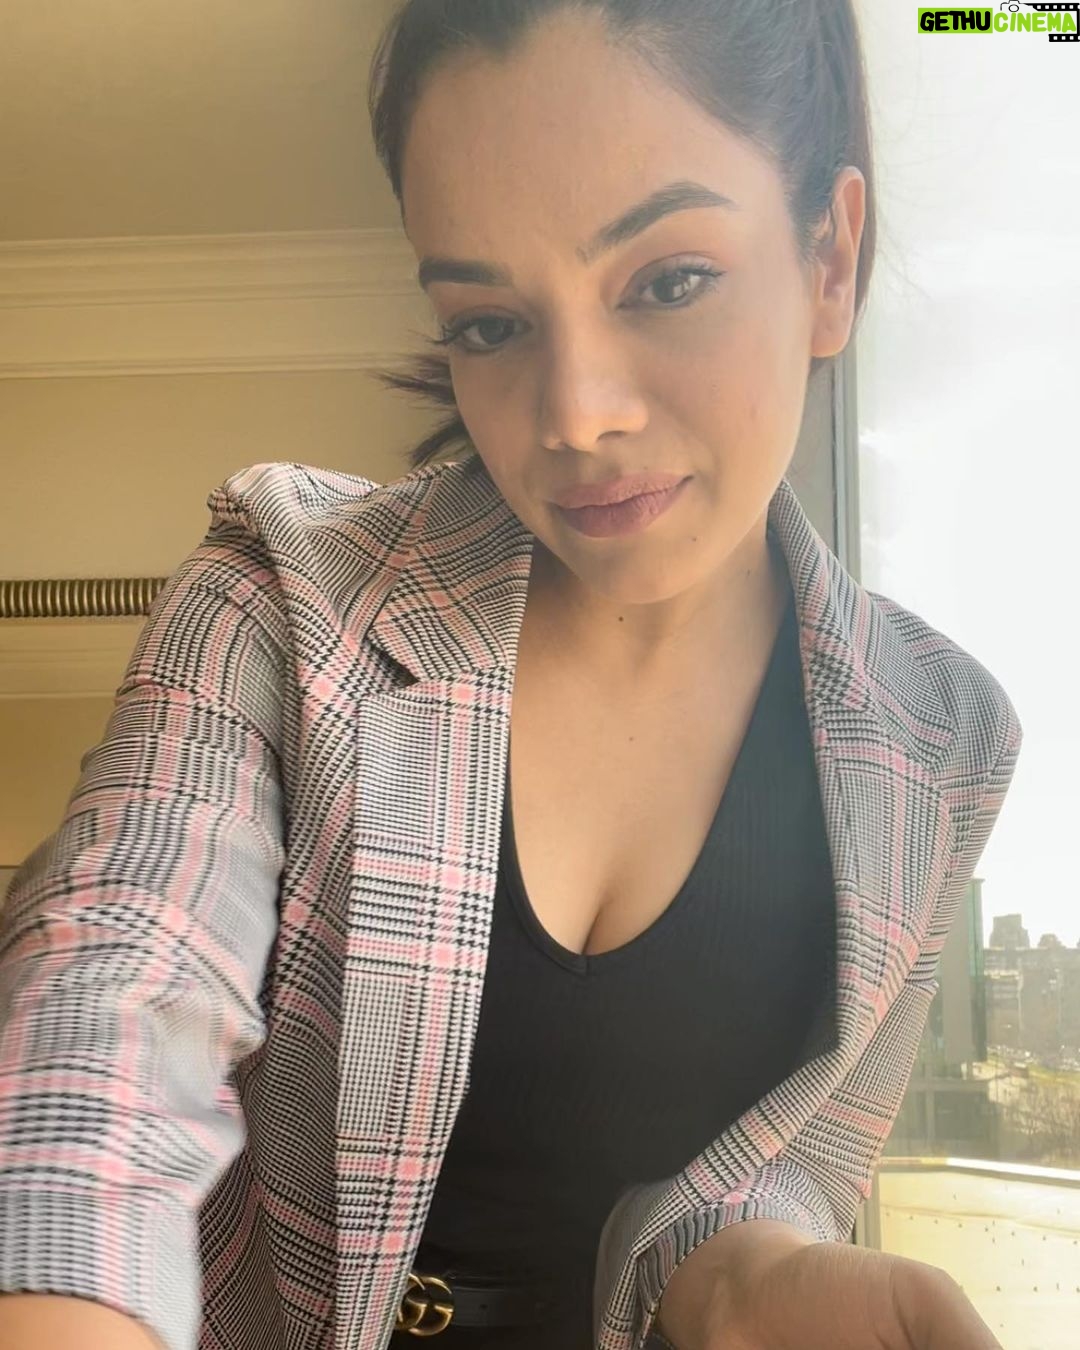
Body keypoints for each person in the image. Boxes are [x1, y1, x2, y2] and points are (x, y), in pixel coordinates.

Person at [0, 2, 1023, 1348]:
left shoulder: (942, 740)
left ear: (829, 258)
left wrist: (749, 1279)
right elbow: (109, 1017)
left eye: (669, 281)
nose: (578, 415)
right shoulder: (284, 595)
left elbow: (791, 1157)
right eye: (490, 323)